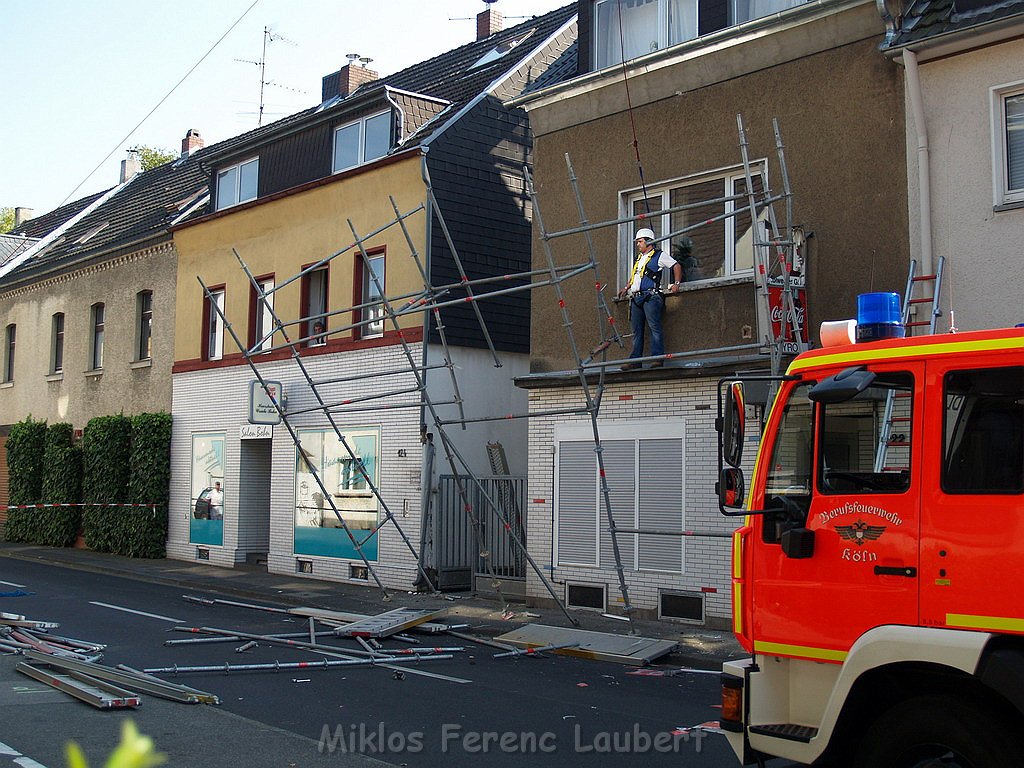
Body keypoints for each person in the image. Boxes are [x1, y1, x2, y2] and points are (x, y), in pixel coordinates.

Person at [618, 228, 682, 369]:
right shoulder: (639, 258)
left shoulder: (659, 255)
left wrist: (677, 284)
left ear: (649, 242)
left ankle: (657, 358)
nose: (637, 244)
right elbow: (636, 275)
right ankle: (635, 361)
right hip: (636, 298)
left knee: (654, 328)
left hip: (651, 297)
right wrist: (627, 287)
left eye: (640, 241)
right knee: (636, 331)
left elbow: (676, 265)